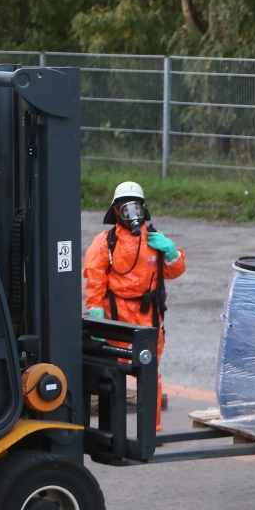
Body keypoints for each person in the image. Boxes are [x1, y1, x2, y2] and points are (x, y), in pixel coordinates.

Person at [83, 181, 185, 432]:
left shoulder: (155, 240)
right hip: (116, 312)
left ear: (143, 209)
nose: (133, 215)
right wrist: (97, 314)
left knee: (150, 369)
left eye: (136, 208)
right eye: (127, 209)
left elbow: (173, 271)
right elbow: (95, 279)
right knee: (112, 369)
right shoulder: (105, 242)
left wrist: (172, 253)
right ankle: (112, 429)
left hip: (148, 313)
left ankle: (150, 430)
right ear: (116, 211)